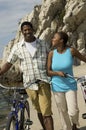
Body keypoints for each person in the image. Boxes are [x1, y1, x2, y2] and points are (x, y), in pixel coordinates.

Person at [0, 21, 54, 130]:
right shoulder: (17, 47)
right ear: (22, 32)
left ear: (32, 30)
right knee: (39, 110)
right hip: (29, 84)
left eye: (29, 29)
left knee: (47, 113)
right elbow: (9, 63)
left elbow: (52, 58)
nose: (27, 31)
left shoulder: (43, 43)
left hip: (43, 81)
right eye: (25, 30)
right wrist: (0, 72)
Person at [47, 31, 86, 130]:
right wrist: (57, 73)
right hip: (57, 86)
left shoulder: (71, 51)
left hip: (70, 85)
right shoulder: (51, 53)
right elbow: (48, 71)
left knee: (73, 111)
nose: (52, 39)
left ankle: (74, 125)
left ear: (61, 40)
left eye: (54, 38)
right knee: (63, 111)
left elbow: (84, 59)